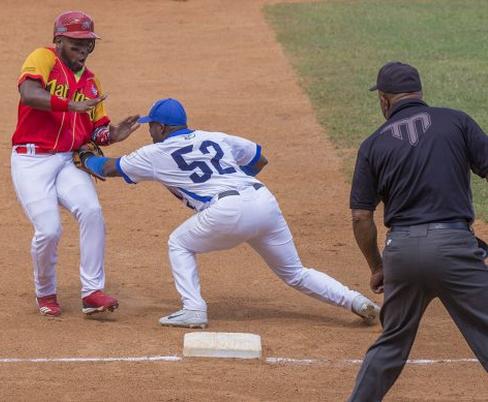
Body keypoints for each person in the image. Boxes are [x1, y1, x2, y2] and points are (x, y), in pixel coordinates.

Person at [74, 97, 380, 328]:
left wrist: (86, 156)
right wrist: (231, 177)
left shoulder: (156, 153)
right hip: (262, 201)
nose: (149, 130)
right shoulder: (214, 137)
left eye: (151, 125)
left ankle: (193, 308)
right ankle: (356, 301)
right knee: (296, 273)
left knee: (179, 243)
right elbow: (259, 159)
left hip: (227, 210)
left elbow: (110, 168)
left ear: (163, 127)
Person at [348, 62, 488, 401]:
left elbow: (360, 217)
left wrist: (378, 266)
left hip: (403, 252)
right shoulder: (457, 121)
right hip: (455, 249)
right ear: (419, 93)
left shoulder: (373, 144)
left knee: (390, 344)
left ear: (384, 100)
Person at [10, 11, 139, 317]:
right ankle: (45, 291)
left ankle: (92, 292)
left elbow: (96, 128)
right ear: (59, 40)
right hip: (31, 160)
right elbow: (29, 94)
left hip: (68, 160)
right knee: (49, 230)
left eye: (88, 44)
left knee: (92, 212)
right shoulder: (43, 58)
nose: (83, 49)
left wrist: (113, 134)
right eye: (76, 43)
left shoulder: (91, 82)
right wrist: (69, 105)